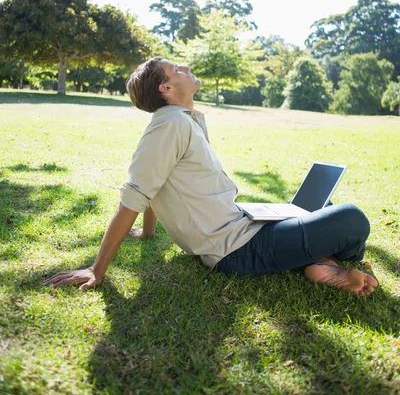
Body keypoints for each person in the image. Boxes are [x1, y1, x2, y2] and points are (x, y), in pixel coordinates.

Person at [44, 57, 378, 296]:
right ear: (166, 86)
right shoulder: (170, 125)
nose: (186, 68)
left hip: (241, 226)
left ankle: (316, 260)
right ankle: (324, 263)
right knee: (351, 218)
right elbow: (135, 193)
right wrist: (96, 269)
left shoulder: (183, 120)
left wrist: (148, 233)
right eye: (176, 69)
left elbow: (155, 183)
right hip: (235, 250)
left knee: (321, 204)